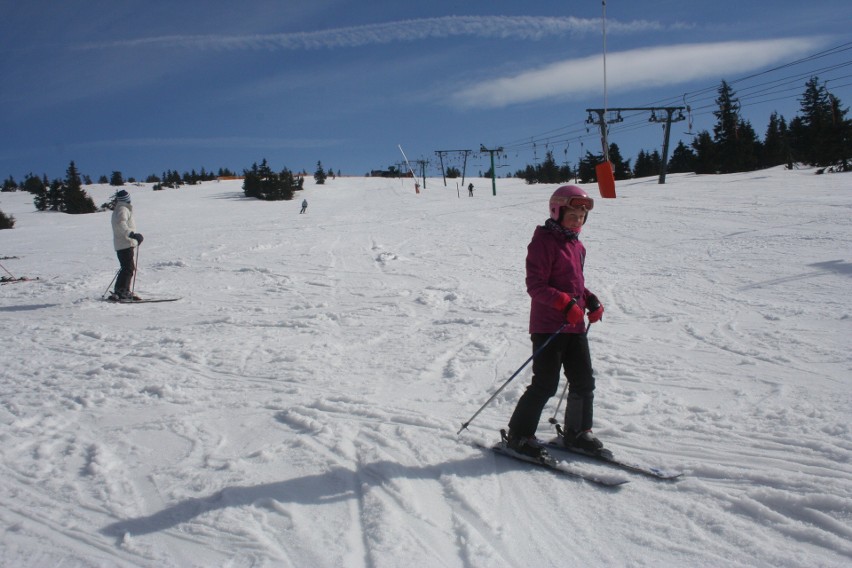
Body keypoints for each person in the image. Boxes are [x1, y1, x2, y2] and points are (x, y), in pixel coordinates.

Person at [505, 185, 605, 458]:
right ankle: (519, 435)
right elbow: (535, 285)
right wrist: (564, 303)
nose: (578, 220)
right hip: (549, 324)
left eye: (583, 216)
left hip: (574, 325)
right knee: (546, 384)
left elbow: (576, 286)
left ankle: (578, 432)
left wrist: (590, 300)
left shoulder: (578, 246)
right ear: (557, 211)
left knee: (584, 380)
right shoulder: (543, 242)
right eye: (573, 214)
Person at [110, 190, 143, 301]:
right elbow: (121, 224)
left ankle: (119, 291)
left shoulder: (121, 209)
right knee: (128, 268)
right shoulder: (122, 209)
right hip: (125, 243)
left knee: (126, 267)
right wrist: (132, 234)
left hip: (123, 243)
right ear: (126, 199)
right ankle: (123, 291)